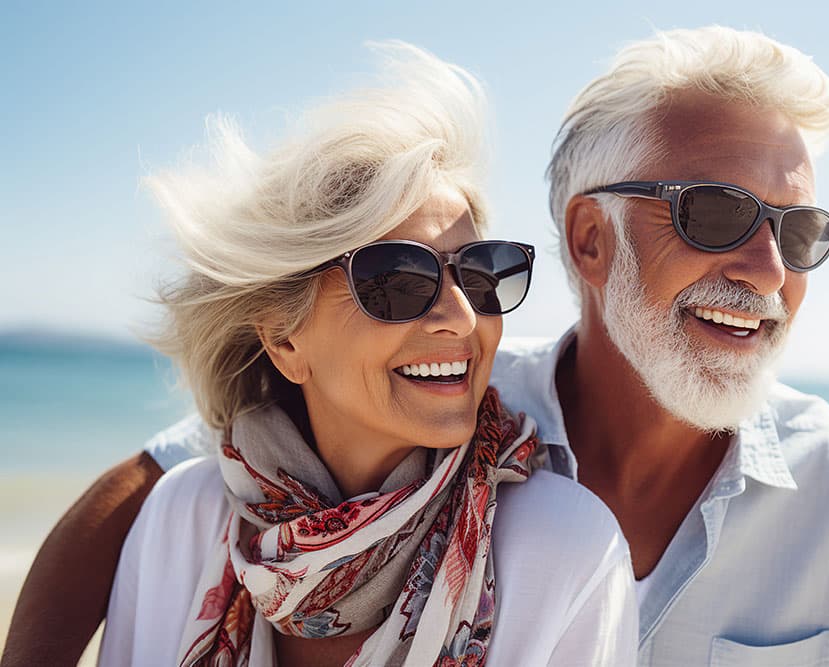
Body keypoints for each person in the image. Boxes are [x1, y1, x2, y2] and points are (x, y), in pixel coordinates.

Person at [4, 26, 829, 666]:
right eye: (715, 213)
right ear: (588, 239)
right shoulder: (456, 401)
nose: (766, 269)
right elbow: (172, 475)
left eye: (798, 231)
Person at [9, 43, 639, 667]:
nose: (463, 317)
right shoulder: (183, 518)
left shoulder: (569, 553)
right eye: (399, 279)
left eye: (480, 274)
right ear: (285, 340)